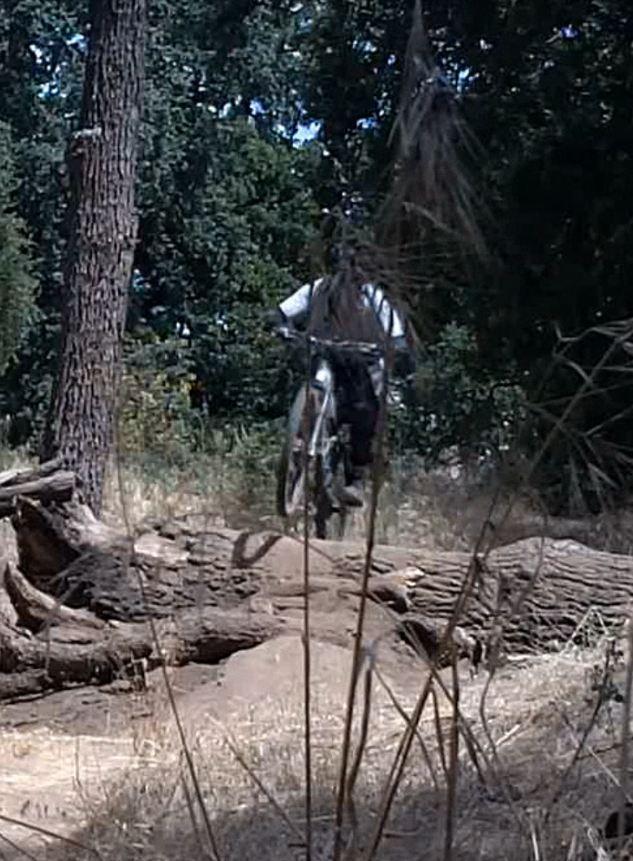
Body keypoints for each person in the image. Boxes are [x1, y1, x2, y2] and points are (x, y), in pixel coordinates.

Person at [273, 257, 412, 507]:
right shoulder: (318, 289)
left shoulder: (373, 297)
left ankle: (356, 478)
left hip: (362, 361)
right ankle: (301, 433)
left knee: (365, 410)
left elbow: (396, 334)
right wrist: (282, 327)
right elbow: (283, 311)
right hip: (326, 354)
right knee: (309, 383)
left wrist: (395, 346)